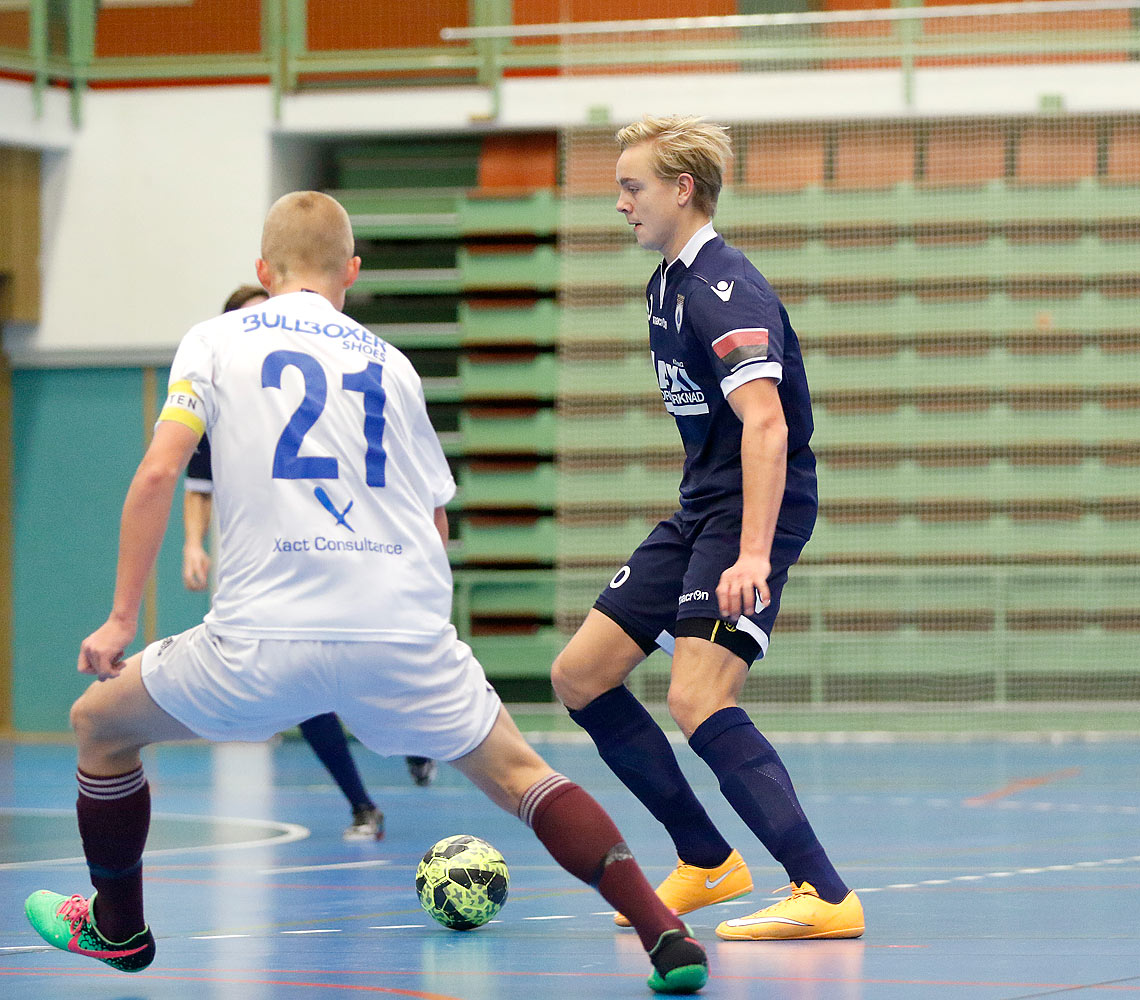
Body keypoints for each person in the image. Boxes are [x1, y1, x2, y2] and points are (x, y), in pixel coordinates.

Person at [24, 191, 709, 995]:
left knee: (99, 727)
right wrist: (424, 637)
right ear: (352, 270)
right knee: (525, 776)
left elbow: (157, 472)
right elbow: (432, 518)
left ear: (261, 271)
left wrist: (118, 619)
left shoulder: (214, 340)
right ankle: (665, 934)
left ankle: (120, 927)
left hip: (259, 640)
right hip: (402, 631)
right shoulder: (393, 363)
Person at [549, 115, 864, 941]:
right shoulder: (664, 284)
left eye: (633, 186)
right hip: (701, 508)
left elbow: (768, 428)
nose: (620, 203)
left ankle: (824, 892)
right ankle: (706, 859)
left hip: (753, 510)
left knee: (697, 694)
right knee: (581, 675)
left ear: (682, 190)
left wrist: (753, 551)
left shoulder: (729, 288)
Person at [182, 284, 435, 842]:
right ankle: (362, 806)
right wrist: (193, 544)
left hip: (350, 552)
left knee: (380, 660)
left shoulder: (335, 379)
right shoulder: (220, 400)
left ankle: (419, 736)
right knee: (303, 686)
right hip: (278, 572)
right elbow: (196, 483)